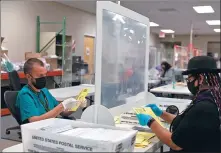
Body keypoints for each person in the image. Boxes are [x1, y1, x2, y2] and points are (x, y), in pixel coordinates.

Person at [137, 56, 221, 152]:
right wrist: (160, 113)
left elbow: (175, 144)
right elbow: (187, 123)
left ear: (200, 79)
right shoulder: (213, 96)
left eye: (189, 79)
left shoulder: (205, 107)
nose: (188, 82)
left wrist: (150, 122)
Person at [16, 58, 87, 124]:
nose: (44, 78)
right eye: (40, 76)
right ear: (28, 77)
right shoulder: (25, 95)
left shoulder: (44, 91)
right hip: (39, 131)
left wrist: (76, 105)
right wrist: (61, 106)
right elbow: (34, 121)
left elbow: (63, 113)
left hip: (52, 125)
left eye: (45, 75)